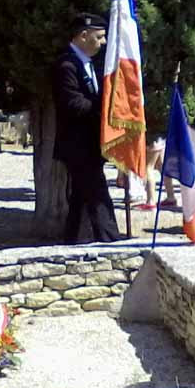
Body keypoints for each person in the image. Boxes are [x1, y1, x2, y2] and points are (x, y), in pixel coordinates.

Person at [52, 13, 121, 244]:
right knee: (98, 195)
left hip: (90, 144)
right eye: (99, 37)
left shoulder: (88, 63)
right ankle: (110, 242)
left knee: (81, 198)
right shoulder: (66, 65)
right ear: (84, 35)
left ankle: (73, 241)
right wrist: (105, 110)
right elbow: (72, 103)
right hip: (77, 145)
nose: (103, 43)